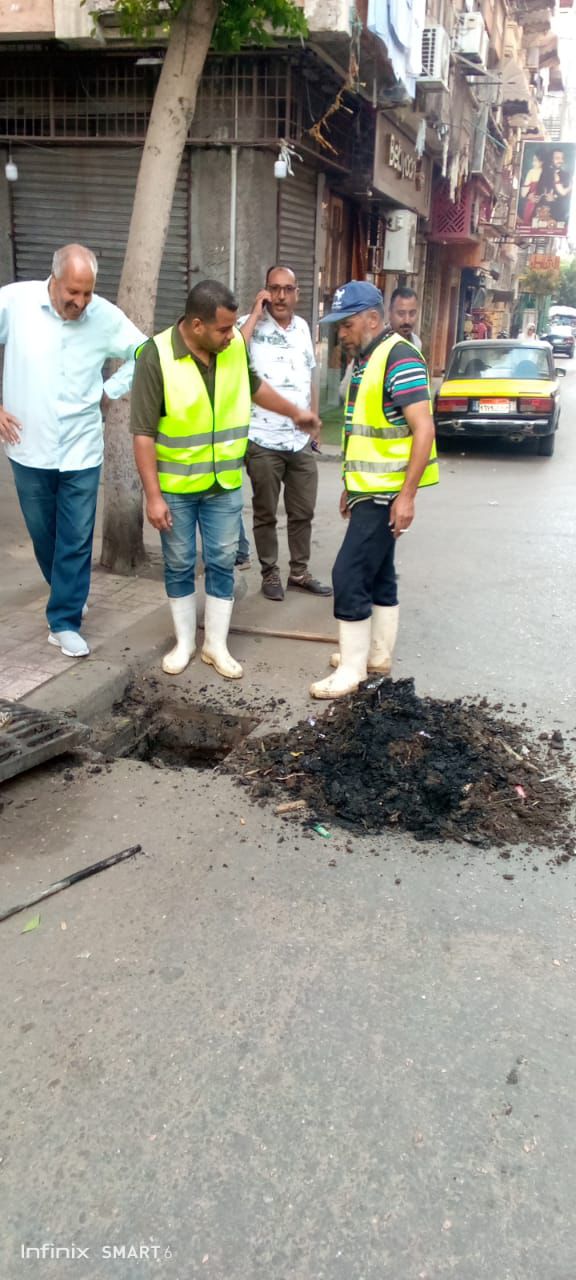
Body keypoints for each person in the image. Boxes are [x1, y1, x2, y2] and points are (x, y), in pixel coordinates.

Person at [130, 279, 320, 680]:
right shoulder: (155, 355)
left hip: (224, 484)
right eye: (223, 328)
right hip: (177, 489)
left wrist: (294, 412)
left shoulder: (232, 348)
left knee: (222, 562)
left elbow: (255, 388)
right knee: (179, 563)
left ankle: (215, 645)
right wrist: (153, 496)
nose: (232, 335)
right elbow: (143, 434)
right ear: (197, 325)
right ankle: (185, 642)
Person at [0, 243, 146, 658]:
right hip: (28, 446)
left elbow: (145, 352)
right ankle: (65, 591)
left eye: (88, 292)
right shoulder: (15, 302)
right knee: (44, 534)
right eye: (73, 292)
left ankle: (64, 620)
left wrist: (110, 389)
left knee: (77, 537)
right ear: (55, 279)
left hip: (82, 448)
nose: (81, 302)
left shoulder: (104, 316)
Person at [309, 280, 438, 700]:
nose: (340, 334)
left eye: (346, 325)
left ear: (371, 319)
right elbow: (365, 431)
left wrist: (407, 496)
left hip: (387, 493)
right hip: (370, 489)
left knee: (348, 573)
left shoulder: (398, 357)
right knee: (380, 574)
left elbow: (423, 429)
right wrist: (350, 485)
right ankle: (376, 655)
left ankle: (352, 670)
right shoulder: (369, 359)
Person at [239, 265, 331, 601]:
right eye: (274, 289)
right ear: (265, 291)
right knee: (265, 512)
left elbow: (310, 376)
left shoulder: (303, 328)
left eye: (287, 289)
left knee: (303, 510)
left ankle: (299, 573)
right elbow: (233, 353)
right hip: (262, 438)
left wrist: (314, 420)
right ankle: (270, 573)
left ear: (297, 294)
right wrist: (254, 313)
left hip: (299, 440)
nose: (280, 296)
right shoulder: (248, 325)